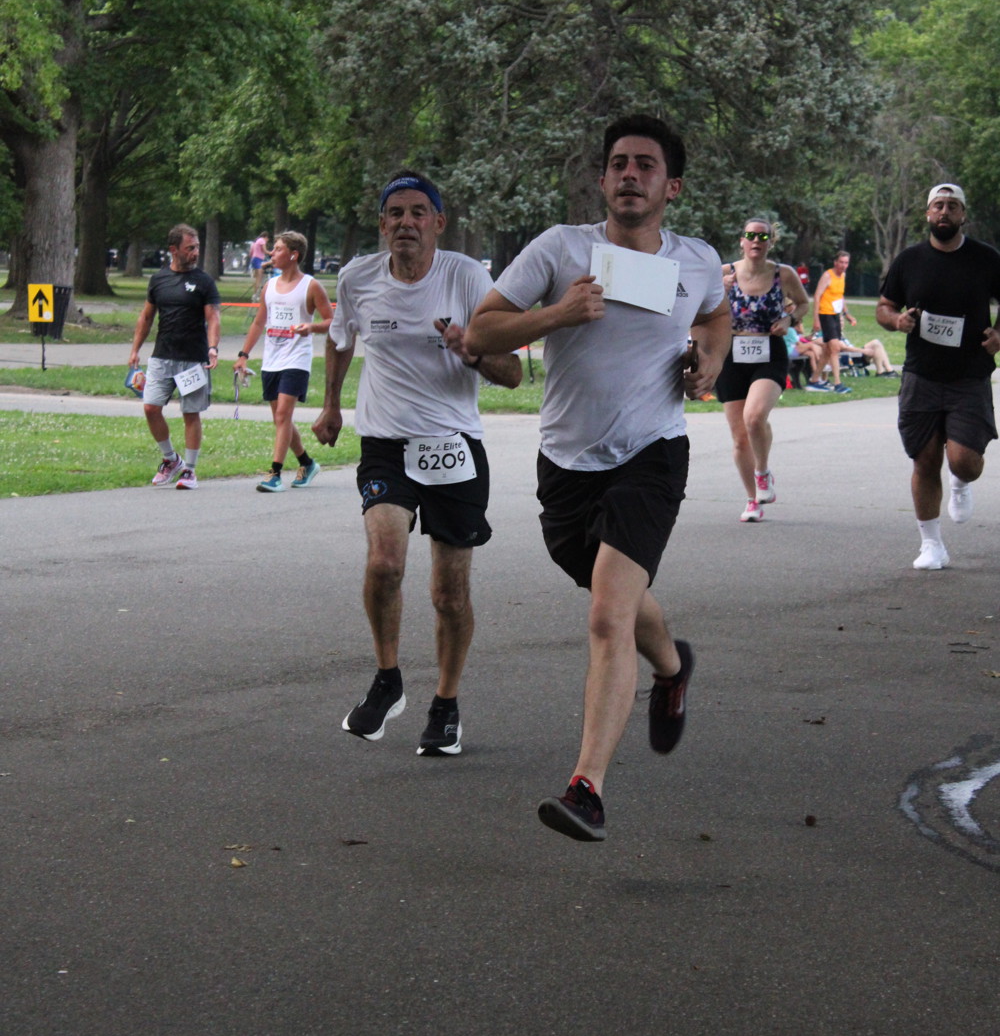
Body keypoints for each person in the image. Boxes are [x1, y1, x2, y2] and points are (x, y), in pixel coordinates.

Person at [465, 113, 729, 842]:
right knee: (618, 599)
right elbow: (482, 330)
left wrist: (708, 360)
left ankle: (587, 788)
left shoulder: (696, 259)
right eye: (618, 164)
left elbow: (715, 316)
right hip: (567, 464)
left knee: (608, 615)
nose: (629, 175)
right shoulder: (560, 248)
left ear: (672, 187)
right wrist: (558, 314)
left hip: (652, 455)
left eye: (646, 165)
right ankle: (672, 668)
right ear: (602, 179)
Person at [312, 171, 522, 755]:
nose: (406, 222)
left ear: (438, 223)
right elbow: (340, 339)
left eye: (418, 212)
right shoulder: (357, 278)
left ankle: (446, 705)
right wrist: (331, 404)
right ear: (382, 224)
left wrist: (471, 350)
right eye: (396, 213)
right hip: (385, 444)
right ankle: (388, 680)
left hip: (454, 444)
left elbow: (512, 373)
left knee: (449, 594)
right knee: (384, 563)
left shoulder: (467, 277)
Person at [876, 181, 1000, 570]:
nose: (944, 212)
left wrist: (999, 334)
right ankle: (931, 545)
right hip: (922, 375)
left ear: (963, 215)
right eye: (938, 206)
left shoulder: (986, 258)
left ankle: (961, 481)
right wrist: (896, 321)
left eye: (952, 206)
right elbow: (884, 306)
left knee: (964, 461)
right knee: (925, 460)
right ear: (928, 213)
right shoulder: (909, 260)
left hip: (969, 375)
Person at [716, 219, 809, 521]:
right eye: (750, 235)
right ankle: (751, 500)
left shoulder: (783, 274)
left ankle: (762, 472)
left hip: (769, 352)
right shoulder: (724, 273)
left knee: (755, 417)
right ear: (741, 240)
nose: (756, 240)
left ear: (771, 241)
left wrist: (789, 320)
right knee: (740, 437)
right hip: (731, 354)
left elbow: (803, 304)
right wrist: (718, 292)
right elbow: (700, 308)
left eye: (763, 236)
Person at [234, 231, 333, 492]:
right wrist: (243, 355)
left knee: (282, 415)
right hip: (272, 360)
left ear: (293, 255)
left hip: (297, 359)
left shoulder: (311, 286)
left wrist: (311, 327)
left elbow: (331, 321)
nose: (272, 253)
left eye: (278, 249)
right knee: (281, 420)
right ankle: (307, 463)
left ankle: (274, 474)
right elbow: (259, 322)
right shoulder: (270, 286)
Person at [127, 223, 220, 489]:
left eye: (197, 247)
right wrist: (135, 349)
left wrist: (213, 347)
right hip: (162, 357)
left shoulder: (204, 281)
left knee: (191, 413)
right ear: (173, 250)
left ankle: (189, 470)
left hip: (193, 359)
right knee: (150, 407)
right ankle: (171, 460)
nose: (195, 252)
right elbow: (146, 317)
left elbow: (213, 317)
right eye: (190, 248)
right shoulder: (158, 280)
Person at [812, 251, 856, 393]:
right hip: (825, 314)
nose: (843, 265)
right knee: (835, 348)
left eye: (846, 263)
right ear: (835, 262)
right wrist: (816, 319)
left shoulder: (843, 276)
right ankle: (838, 384)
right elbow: (817, 296)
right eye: (841, 262)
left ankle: (814, 380)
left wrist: (847, 314)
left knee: (827, 350)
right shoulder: (827, 276)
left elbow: (840, 296)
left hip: (836, 315)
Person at [248, 231, 272, 298]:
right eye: (267, 239)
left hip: (255, 259)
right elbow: (265, 251)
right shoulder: (262, 241)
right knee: (259, 278)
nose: (267, 241)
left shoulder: (256, 242)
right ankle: (256, 294)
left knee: (257, 278)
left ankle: (255, 294)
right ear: (266, 237)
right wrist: (272, 253)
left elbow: (251, 253)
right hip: (258, 259)